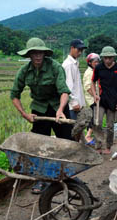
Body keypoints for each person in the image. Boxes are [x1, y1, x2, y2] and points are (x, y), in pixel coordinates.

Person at [10, 37, 72, 194]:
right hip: (39, 109)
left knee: (66, 142)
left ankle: (68, 175)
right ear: (29, 55)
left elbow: (64, 91)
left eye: (40, 53)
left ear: (44, 54)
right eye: (34, 53)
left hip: (58, 107)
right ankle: (41, 179)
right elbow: (14, 95)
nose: (37, 56)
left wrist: (60, 110)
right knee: (38, 145)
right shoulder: (24, 71)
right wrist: (25, 114)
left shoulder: (55, 67)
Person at [90, 46, 117, 155]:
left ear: (113, 57)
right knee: (98, 123)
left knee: (110, 126)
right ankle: (98, 146)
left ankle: (108, 146)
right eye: (105, 58)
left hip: (113, 100)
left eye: (110, 58)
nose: (108, 60)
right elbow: (93, 82)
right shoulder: (98, 68)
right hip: (100, 100)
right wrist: (95, 95)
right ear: (102, 58)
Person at [62, 39, 87, 120]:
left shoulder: (74, 63)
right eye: (78, 50)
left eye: (82, 50)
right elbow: (68, 86)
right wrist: (74, 102)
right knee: (73, 130)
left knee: (78, 130)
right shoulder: (68, 65)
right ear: (72, 48)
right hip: (72, 106)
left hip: (77, 105)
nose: (80, 53)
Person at [83, 53, 100, 145]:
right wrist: (95, 96)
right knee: (93, 118)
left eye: (98, 61)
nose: (96, 63)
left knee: (95, 117)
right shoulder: (88, 73)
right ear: (89, 63)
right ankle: (88, 136)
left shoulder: (94, 71)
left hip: (95, 98)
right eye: (94, 62)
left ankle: (90, 135)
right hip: (92, 99)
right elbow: (88, 88)